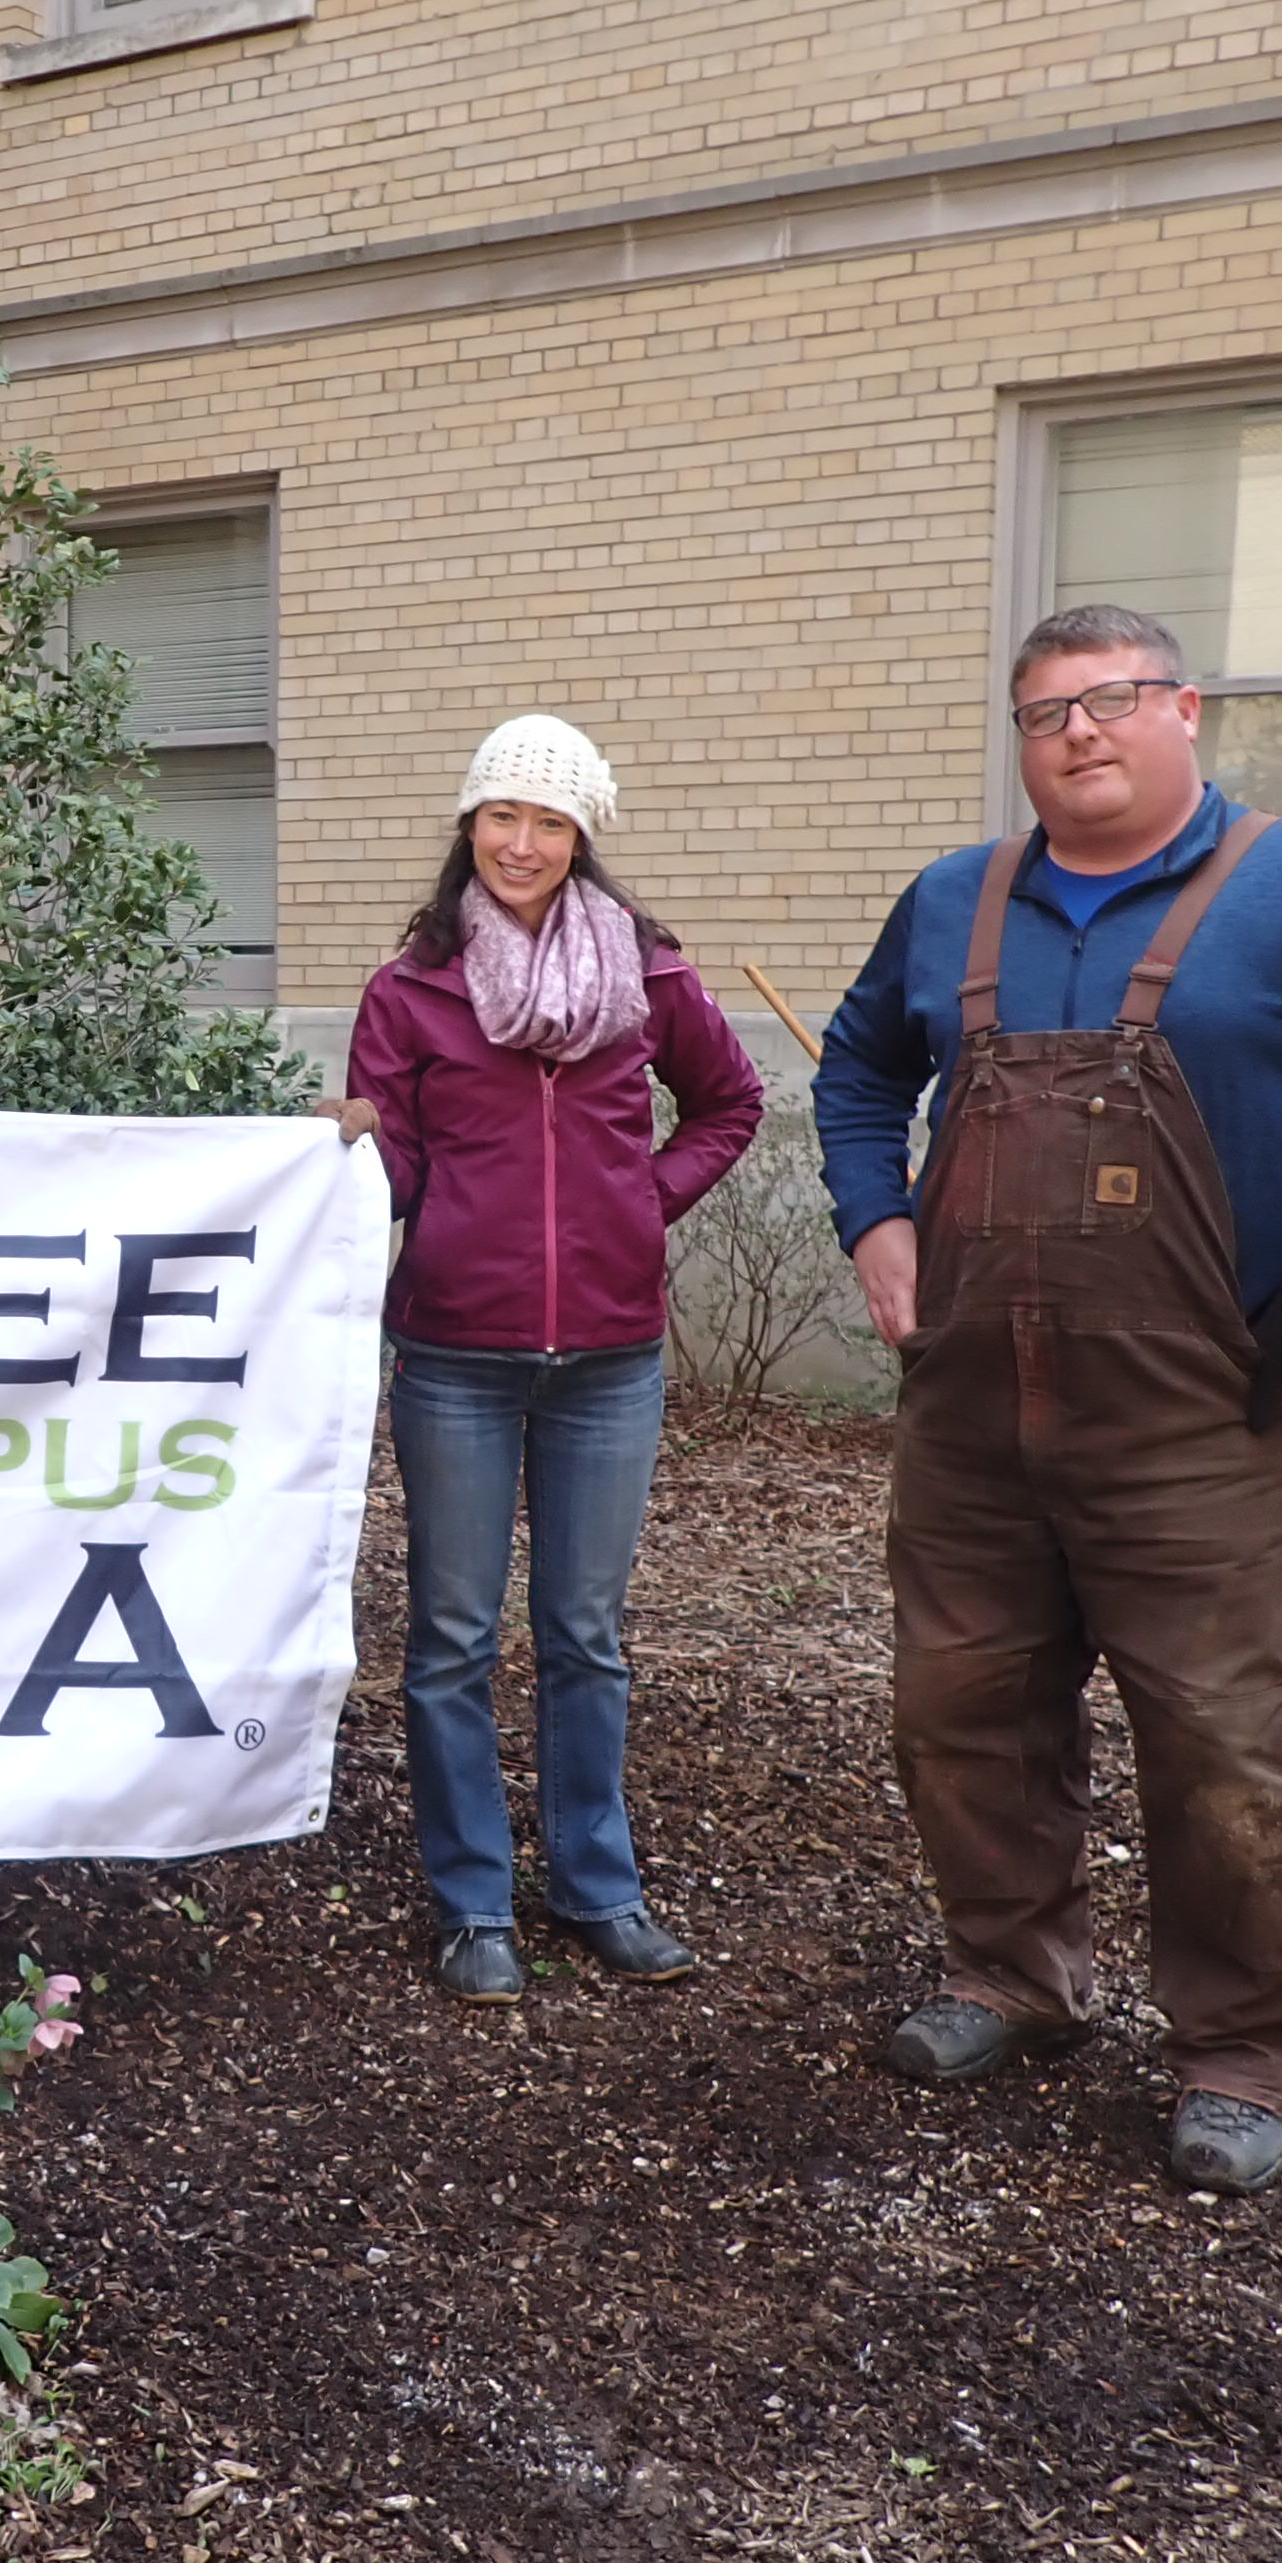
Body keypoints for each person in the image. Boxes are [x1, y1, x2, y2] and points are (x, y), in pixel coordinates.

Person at [815, 605, 1282, 2196]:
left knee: (1223, 1744)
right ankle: (1011, 1978)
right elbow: (857, 1074)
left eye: (1115, 699)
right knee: (962, 1713)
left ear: (1185, 710)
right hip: (974, 1414)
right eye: (1047, 710)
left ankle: (1251, 2050)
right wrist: (878, 1218)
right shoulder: (951, 904)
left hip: (1200, 1414)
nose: (1081, 731)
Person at [348, 716, 764, 2005]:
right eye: (499, 817)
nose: (520, 843)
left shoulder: (648, 975)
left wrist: (641, 1202)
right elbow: (405, 1169)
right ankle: (473, 1903)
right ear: (469, 826)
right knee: (451, 1639)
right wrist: (354, 1153)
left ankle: (598, 1886)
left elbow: (732, 1103)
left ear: (581, 836)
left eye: (548, 822)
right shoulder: (409, 988)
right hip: (455, 1351)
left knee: (585, 1634)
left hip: (610, 1356)